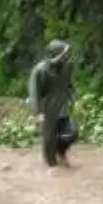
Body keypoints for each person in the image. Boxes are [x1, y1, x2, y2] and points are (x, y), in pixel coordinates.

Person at [28, 39, 77, 168]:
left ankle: (61, 153)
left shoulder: (66, 67)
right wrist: (38, 112)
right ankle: (51, 165)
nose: (67, 56)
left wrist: (75, 99)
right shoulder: (40, 71)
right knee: (49, 140)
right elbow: (35, 93)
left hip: (62, 107)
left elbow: (69, 86)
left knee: (71, 133)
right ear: (57, 54)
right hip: (47, 109)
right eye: (64, 53)